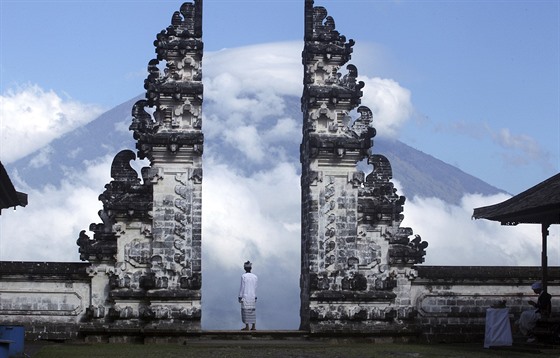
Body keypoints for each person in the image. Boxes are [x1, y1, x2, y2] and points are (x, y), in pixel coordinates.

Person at [238, 260, 258, 331]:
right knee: (252, 311)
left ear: (244, 268)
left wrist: (240, 296)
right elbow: (255, 287)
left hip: (245, 296)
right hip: (252, 295)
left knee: (245, 311)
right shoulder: (255, 277)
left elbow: (242, 287)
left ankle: (247, 326)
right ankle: (253, 326)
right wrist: (255, 296)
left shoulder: (243, 276)